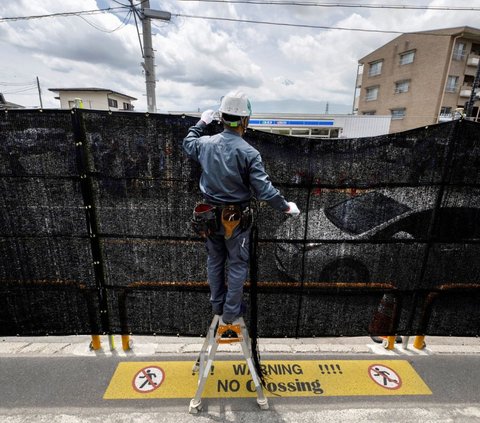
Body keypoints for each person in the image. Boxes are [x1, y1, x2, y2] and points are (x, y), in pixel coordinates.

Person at [183, 90, 300, 325]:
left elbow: (188, 142)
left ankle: (218, 305)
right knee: (237, 264)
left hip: (208, 216)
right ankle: (230, 312)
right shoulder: (249, 153)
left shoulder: (205, 144)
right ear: (245, 120)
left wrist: (201, 123)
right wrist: (286, 207)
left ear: (222, 118)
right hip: (235, 218)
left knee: (215, 260)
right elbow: (264, 190)